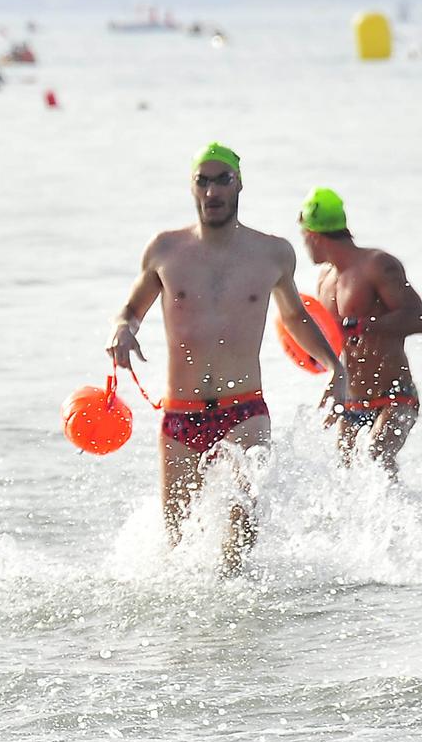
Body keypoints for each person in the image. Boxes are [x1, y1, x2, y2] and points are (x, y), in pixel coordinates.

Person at [106, 144, 346, 571]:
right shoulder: (164, 250)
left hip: (245, 411)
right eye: (203, 181)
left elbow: (294, 317)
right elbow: (131, 310)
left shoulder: (273, 253)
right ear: (192, 187)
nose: (213, 190)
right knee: (177, 551)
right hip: (180, 415)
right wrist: (122, 330)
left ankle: (247, 634)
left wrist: (335, 368)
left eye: (222, 180)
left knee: (240, 541)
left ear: (239, 185)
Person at [299, 188, 422, 476]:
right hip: (352, 399)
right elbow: (337, 343)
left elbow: (418, 319)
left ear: (312, 235)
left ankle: (403, 521)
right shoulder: (324, 280)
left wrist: (367, 326)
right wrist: (332, 383)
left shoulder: (378, 265)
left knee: (376, 455)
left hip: (396, 395)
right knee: (340, 475)